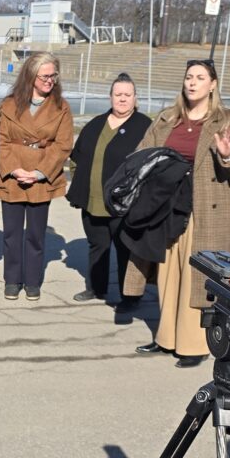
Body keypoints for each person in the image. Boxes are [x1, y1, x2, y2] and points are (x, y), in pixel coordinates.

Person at [131, 59, 230, 368]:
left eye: (199, 77)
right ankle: (166, 338)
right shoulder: (167, 118)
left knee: (198, 277)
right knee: (168, 274)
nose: (192, 82)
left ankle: (194, 344)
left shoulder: (226, 119)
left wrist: (226, 156)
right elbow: (142, 153)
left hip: (204, 210)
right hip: (166, 208)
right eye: (188, 77)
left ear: (212, 84)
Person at [67, 73, 152, 311]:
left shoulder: (145, 127)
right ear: (110, 97)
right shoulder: (96, 124)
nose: (122, 99)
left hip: (126, 204)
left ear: (135, 98)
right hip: (94, 200)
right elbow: (76, 158)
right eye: (118, 94)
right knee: (97, 245)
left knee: (126, 250)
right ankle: (96, 287)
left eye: (127, 95)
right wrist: (79, 182)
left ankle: (130, 296)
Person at [0, 51, 73, 301]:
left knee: (36, 235)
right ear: (30, 76)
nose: (50, 81)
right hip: (13, 176)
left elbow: (63, 145)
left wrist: (39, 173)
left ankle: (32, 280)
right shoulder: (8, 104)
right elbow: (1, 141)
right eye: (45, 76)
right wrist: (14, 169)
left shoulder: (61, 107)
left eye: (53, 76)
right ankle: (12, 280)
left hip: (41, 176)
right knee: (12, 234)